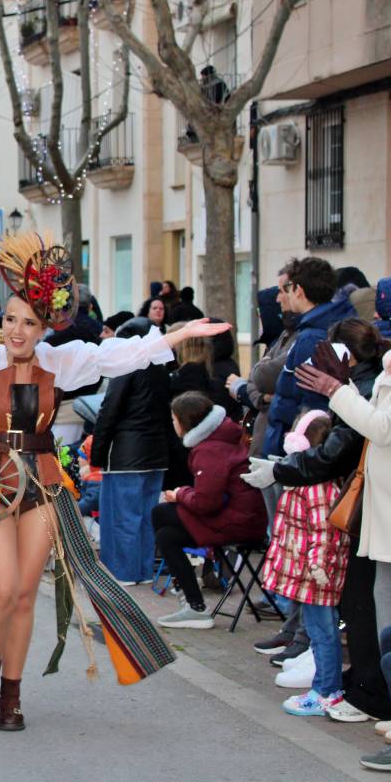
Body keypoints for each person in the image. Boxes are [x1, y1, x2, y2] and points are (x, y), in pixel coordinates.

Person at [0, 233, 227, 730]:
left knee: (21, 595)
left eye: (28, 323)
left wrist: (173, 337)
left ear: (44, 327)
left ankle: (13, 695)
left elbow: (115, 357)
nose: (17, 330)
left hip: (41, 486)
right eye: (11, 319)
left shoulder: (61, 361)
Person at [244, 319, 391, 724]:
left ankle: (367, 691)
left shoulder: (364, 383)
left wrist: (282, 470)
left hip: (368, 508)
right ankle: (364, 685)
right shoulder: (368, 380)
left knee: (362, 607)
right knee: (363, 604)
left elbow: (349, 444)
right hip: (366, 504)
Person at [257, 410, 348, 716]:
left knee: (323, 632)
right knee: (318, 630)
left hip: (316, 574)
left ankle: (326, 690)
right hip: (308, 572)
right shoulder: (306, 482)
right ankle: (324, 687)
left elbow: (324, 530)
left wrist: (318, 565)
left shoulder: (317, 486)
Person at [153, 392, 268, 628]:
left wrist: (180, 494)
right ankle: (192, 602)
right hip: (243, 517)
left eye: (174, 420)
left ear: (185, 422)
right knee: (166, 534)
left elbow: (207, 503)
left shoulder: (209, 450)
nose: (172, 425)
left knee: (162, 513)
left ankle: (191, 600)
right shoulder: (221, 438)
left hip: (238, 522)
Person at [91, 317, 174, 585]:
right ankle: (143, 570)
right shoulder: (161, 368)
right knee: (147, 516)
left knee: (122, 516)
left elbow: (109, 411)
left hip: (126, 454)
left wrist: (98, 454)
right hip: (156, 452)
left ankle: (123, 572)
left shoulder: (126, 366)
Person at [262, 257, 353, 457]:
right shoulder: (331, 326)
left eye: (288, 289)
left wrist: (292, 445)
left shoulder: (311, 337)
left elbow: (308, 398)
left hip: (295, 445)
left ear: (299, 290)